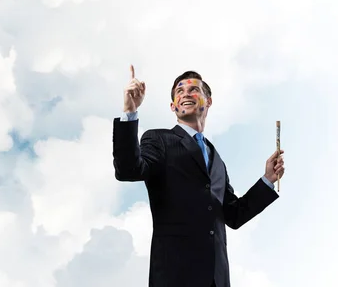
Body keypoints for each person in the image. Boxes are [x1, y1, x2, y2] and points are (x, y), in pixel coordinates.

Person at [112, 66, 285, 287]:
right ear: (173, 106)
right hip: (175, 276)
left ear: (208, 101)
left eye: (193, 89)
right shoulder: (159, 140)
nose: (185, 93)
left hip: (217, 279)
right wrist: (130, 112)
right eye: (179, 91)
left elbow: (234, 215)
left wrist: (267, 180)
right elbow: (128, 170)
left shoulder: (217, 161)